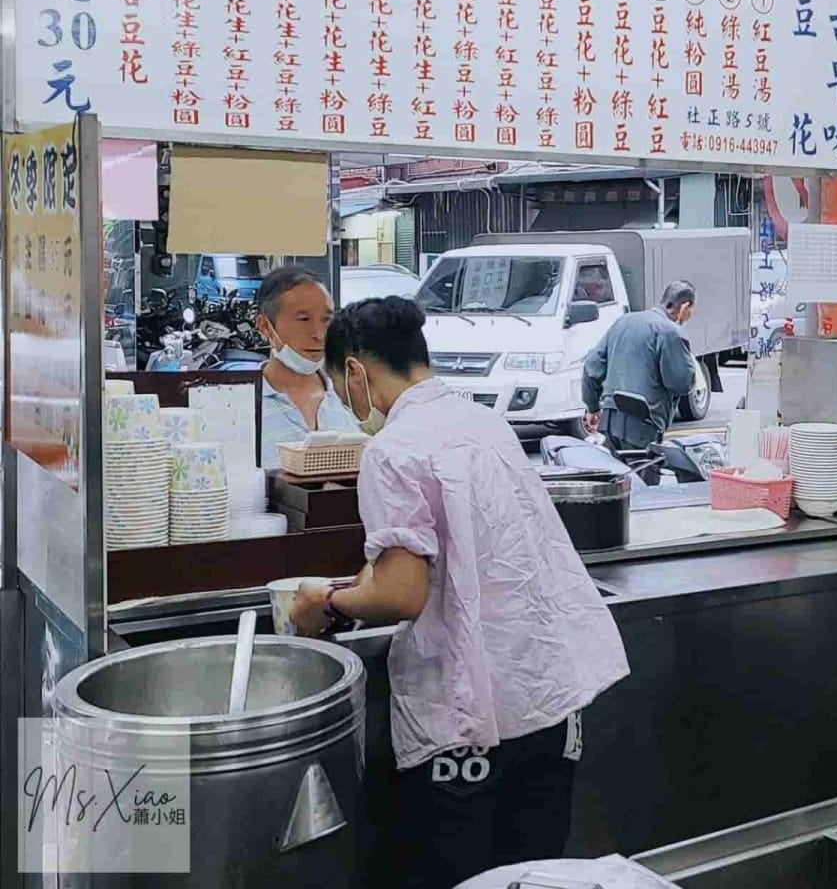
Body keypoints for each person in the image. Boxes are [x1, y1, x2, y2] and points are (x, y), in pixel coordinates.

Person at [290, 296, 629, 888]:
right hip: (545, 698)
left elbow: (402, 594)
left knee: (460, 877)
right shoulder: (483, 422)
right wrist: (368, 578)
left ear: (356, 372)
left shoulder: (393, 450)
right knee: (532, 875)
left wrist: (325, 601)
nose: (347, 403)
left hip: (468, 719)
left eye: (341, 389)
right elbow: (456, 548)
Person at [256, 265, 356, 469]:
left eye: (326, 320)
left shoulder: (351, 396)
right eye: (303, 319)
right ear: (265, 326)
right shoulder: (243, 407)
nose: (318, 334)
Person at [581, 279, 696, 454]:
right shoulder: (670, 332)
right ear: (684, 307)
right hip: (643, 425)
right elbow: (681, 383)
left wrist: (592, 407)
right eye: (691, 311)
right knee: (643, 471)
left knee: (614, 470)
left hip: (609, 421)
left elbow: (591, 365)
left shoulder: (623, 322)